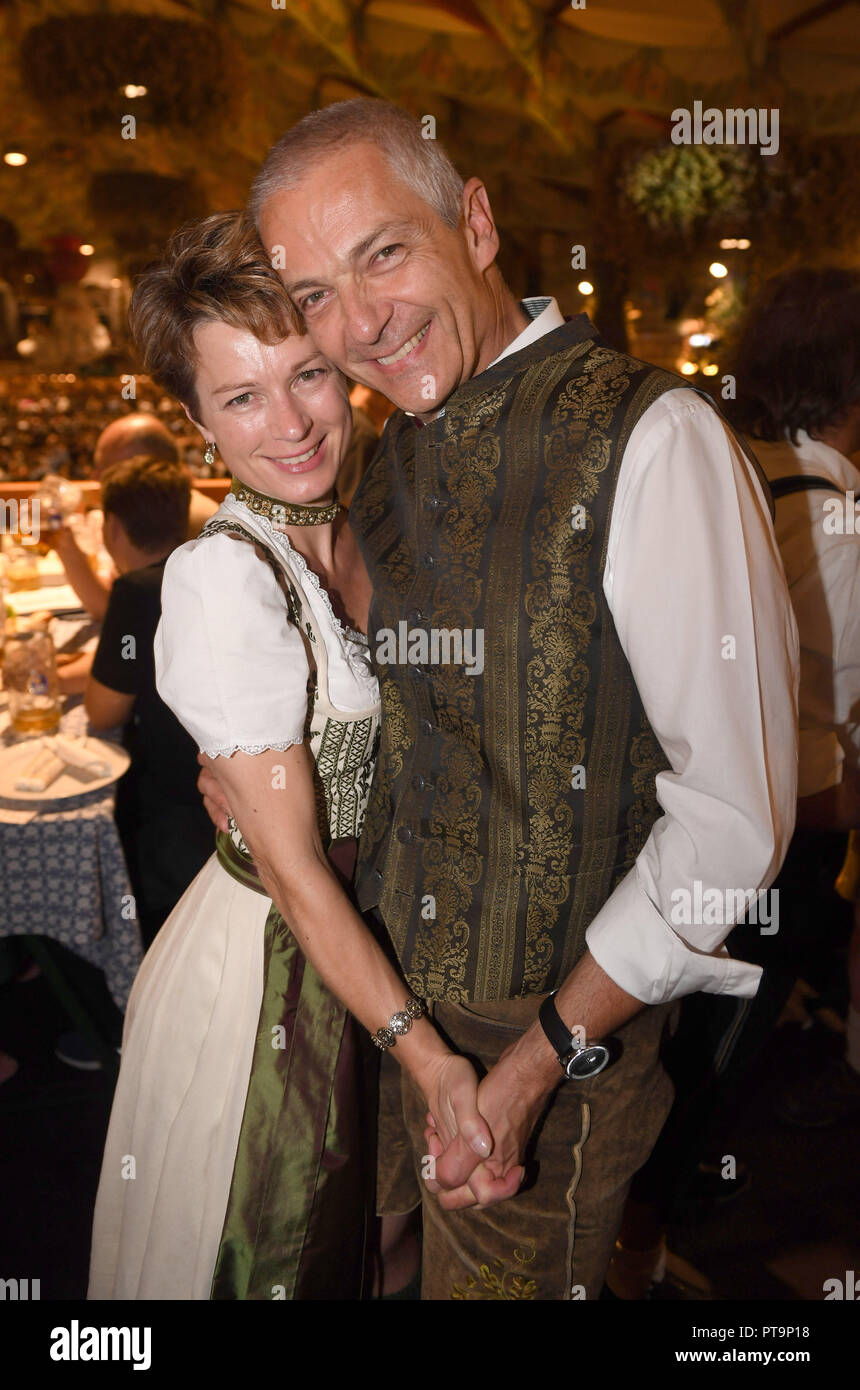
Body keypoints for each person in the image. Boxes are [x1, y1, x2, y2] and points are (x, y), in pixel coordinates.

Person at [200, 98, 799, 1300]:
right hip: (380, 1007)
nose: (361, 323)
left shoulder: (653, 436)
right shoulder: (381, 455)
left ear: (471, 222)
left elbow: (732, 822)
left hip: (557, 1036)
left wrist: (539, 1059)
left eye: (383, 253)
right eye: (313, 295)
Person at [88, 211, 497, 1301]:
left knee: (391, 1243)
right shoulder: (223, 579)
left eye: (306, 375)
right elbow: (297, 870)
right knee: (286, 1256)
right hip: (279, 971)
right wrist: (429, 1056)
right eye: (240, 397)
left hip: (379, 941)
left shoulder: (365, 528)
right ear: (195, 420)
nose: (291, 423)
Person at [79, 454, 214, 949]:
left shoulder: (136, 592)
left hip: (178, 815)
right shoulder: (203, 569)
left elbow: (102, 711)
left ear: (112, 527)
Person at [48, 415, 218, 620]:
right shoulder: (163, 506)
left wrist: (69, 551)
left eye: (106, 467)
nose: (95, 478)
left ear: (147, 465)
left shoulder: (185, 519)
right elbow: (120, 598)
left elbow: (121, 616)